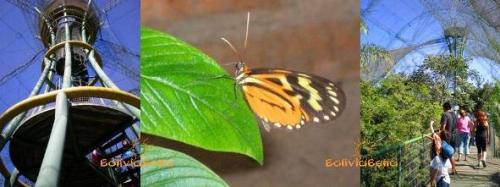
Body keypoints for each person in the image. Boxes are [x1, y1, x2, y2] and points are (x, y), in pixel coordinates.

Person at [429, 120, 452, 187]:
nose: (439, 131)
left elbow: (436, 170)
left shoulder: (438, 141)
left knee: (437, 167)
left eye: (440, 132)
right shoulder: (444, 144)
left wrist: (431, 125)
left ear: (441, 136)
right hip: (446, 179)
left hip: (442, 181)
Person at [439, 102, 458, 174]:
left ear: (444, 108)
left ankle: (451, 169)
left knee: (447, 153)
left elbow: (443, 126)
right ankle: (453, 168)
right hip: (455, 135)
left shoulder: (445, 114)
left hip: (447, 136)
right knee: (451, 152)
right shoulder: (455, 114)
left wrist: (439, 133)